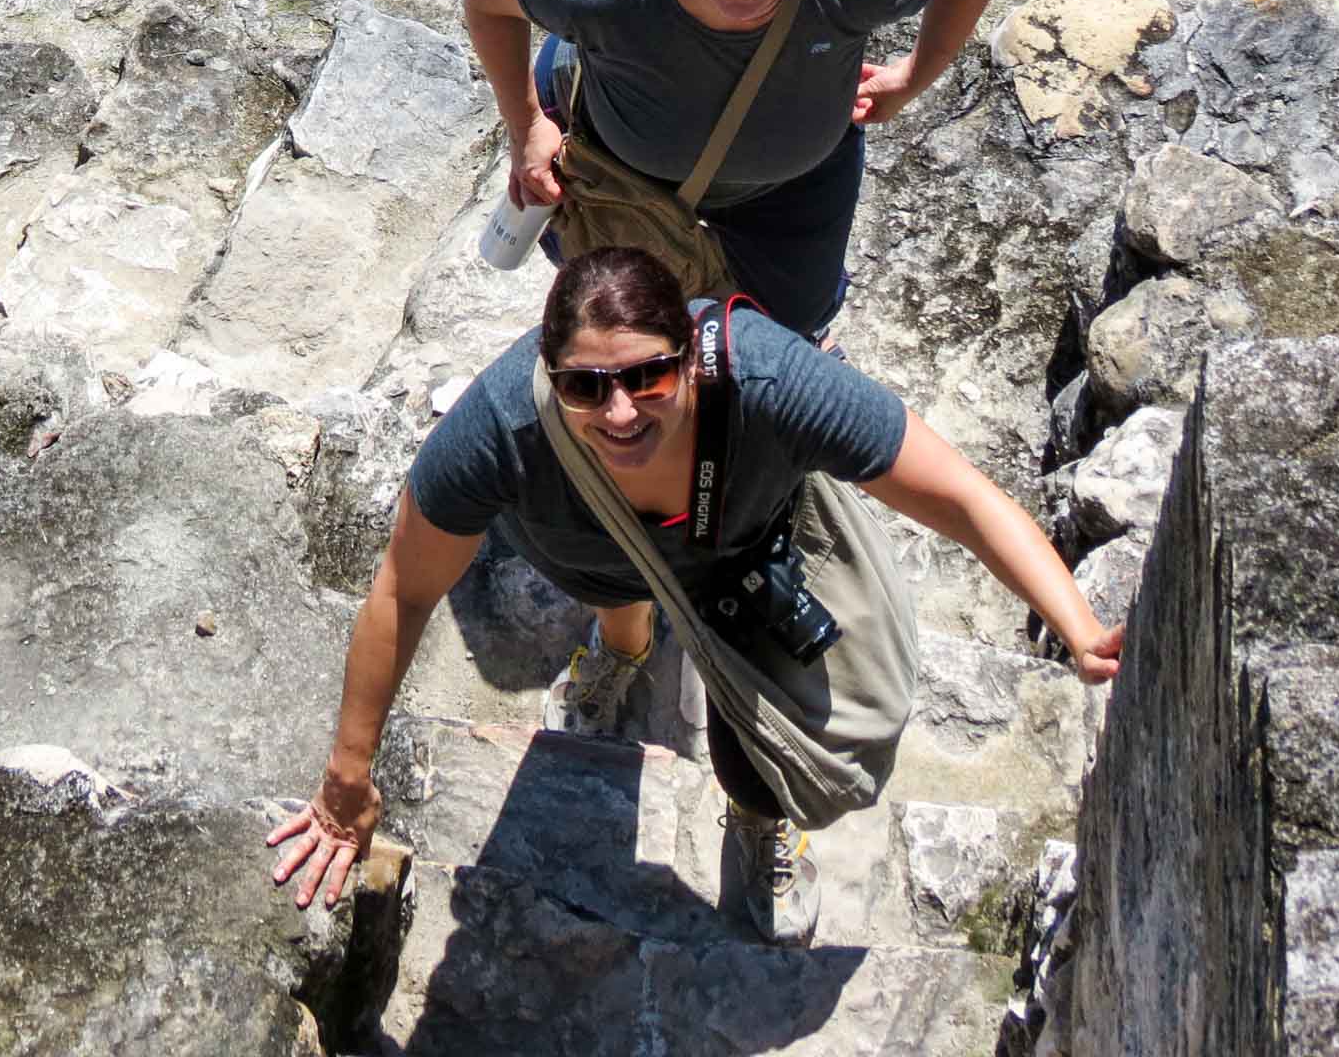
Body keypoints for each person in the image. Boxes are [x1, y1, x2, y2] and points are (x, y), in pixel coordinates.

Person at [266, 247, 1122, 946]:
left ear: (690, 354)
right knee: (621, 590)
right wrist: (346, 782)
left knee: (754, 724)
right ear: (549, 374)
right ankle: (626, 649)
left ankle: (757, 815)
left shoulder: (774, 383)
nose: (620, 412)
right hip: (589, 557)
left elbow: (965, 497)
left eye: (648, 377)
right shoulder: (495, 432)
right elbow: (402, 591)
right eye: (585, 387)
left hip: (736, 551)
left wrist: (1077, 626)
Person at [463, 0, 1003, 341]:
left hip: (793, 186)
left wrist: (912, 79)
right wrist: (528, 126)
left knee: (792, 321)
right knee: (625, 318)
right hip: (618, 163)